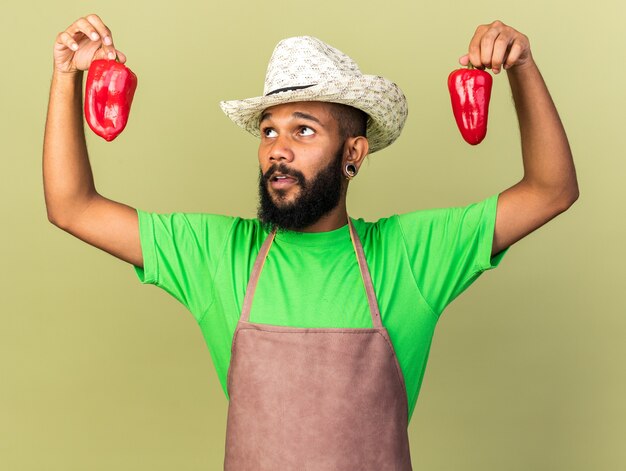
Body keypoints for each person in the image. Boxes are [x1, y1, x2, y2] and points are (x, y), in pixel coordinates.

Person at [43, 14, 579, 470]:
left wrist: (522, 69)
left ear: (354, 154)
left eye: (303, 131)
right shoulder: (217, 254)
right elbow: (72, 207)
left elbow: (550, 191)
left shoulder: (411, 255)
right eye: (268, 131)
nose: (278, 149)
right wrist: (67, 76)